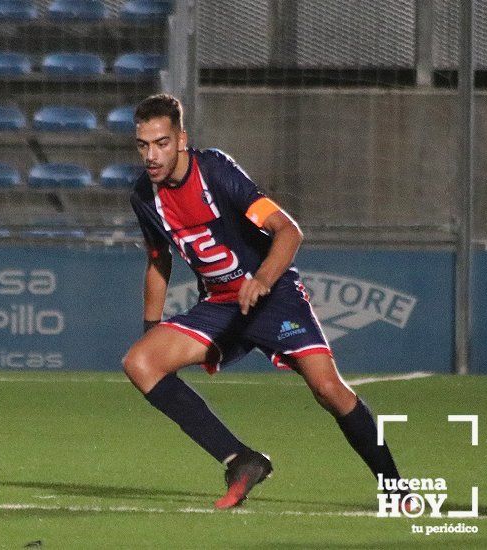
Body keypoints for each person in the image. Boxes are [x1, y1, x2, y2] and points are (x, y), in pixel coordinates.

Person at [122, 93, 404, 509]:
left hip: (274, 296)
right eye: (143, 145)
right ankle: (241, 459)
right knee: (140, 362)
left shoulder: (216, 170)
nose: (152, 155)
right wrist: (152, 330)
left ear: (182, 139)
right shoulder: (144, 196)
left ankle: (396, 489)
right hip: (222, 305)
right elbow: (158, 261)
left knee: (328, 389)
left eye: (161, 143)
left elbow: (288, 231)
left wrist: (262, 279)